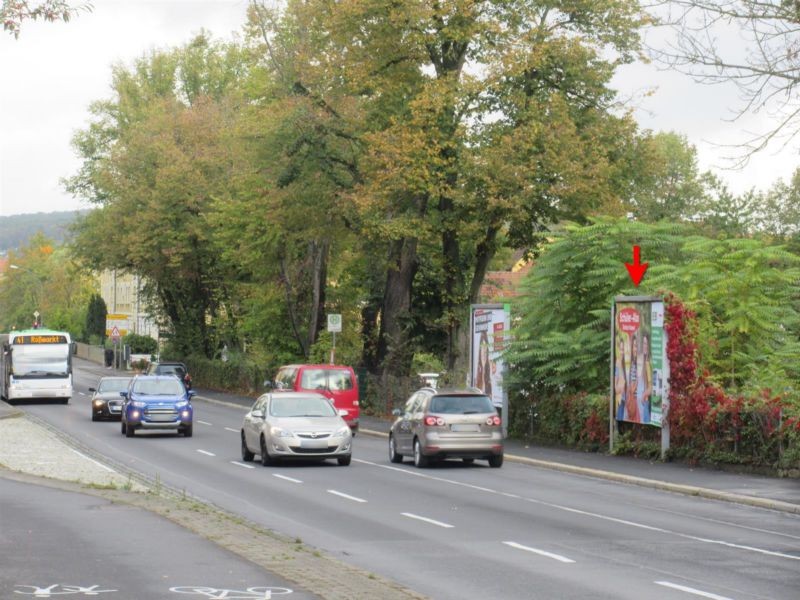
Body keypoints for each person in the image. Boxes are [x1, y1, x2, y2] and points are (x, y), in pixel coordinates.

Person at [475, 330, 493, 397]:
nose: (484, 353)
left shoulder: (489, 371)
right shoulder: (477, 372)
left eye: (485, 350)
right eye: (482, 349)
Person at [614, 335, 628, 421]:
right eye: (621, 349)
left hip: (626, 397)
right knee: (619, 417)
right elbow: (615, 384)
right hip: (620, 398)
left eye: (623, 349)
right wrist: (618, 388)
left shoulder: (626, 363)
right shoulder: (618, 362)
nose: (622, 352)